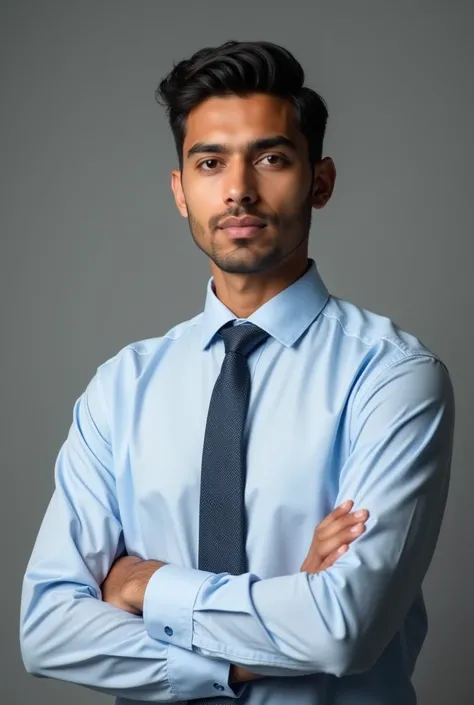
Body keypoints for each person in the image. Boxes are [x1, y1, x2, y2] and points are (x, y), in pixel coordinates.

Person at [20, 40, 455, 705]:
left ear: (321, 180)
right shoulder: (122, 387)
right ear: (180, 190)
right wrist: (259, 640)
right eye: (210, 162)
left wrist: (146, 586)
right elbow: (48, 629)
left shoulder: (393, 377)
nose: (239, 190)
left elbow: (343, 630)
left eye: (272, 158)